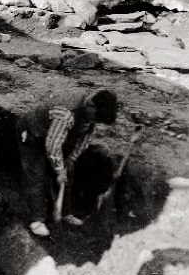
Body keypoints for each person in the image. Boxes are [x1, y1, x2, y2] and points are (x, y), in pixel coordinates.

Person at [16, 89, 118, 237]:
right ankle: (37, 220)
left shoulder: (92, 111)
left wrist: (71, 159)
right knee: (36, 176)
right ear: (90, 105)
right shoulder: (66, 113)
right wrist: (59, 170)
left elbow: (85, 138)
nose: (94, 122)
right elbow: (52, 146)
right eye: (95, 118)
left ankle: (65, 213)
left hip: (56, 136)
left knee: (68, 172)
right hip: (32, 135)